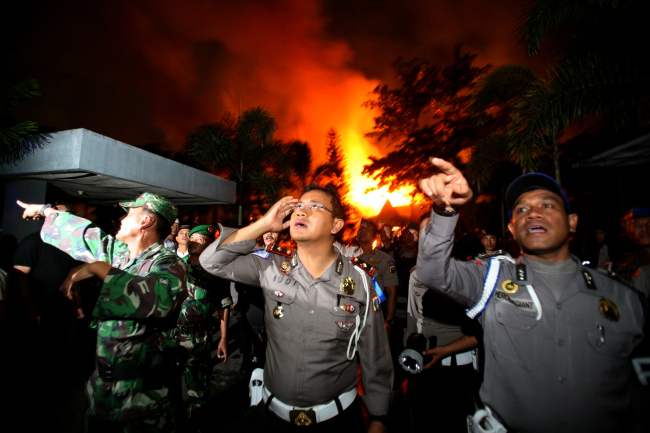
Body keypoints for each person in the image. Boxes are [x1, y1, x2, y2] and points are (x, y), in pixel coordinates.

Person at [417, 158, 644, 432]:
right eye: (522, 209)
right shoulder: (492, 279)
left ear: (572, 223)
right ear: (513, 230)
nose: (533, 213)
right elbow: (432, 273)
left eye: (547, 205)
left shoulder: (624, 298)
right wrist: (444, 209)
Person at [200, 184, 393, 432]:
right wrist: (264, 224)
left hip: (337, 421)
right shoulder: (270, 265)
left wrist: (379, 418)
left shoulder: (361, 281)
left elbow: (375, 354)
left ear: (336, 226)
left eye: (314, 207)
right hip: (271, 418)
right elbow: (211, 262)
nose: (301, 212)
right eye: (298, 206)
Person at [18, 193, 188, 432]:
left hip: (142, 400)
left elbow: (157, 301)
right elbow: (87, 235)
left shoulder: (169, 263)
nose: (121, 218)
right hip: (102, 392)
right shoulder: (121, 255)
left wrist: (98, 268)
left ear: (145, 221)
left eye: (130, 213)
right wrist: (47, 211)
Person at [404, 216, 479, 432]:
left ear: (450, 235)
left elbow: (482, 331)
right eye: (424, 232)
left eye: (433, 230)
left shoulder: (469, 273)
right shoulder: (416, 275)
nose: (428, 237)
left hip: (463, 370)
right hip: (429, 369)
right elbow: (413, 318)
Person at [177, 224, 232, 420]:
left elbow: (223, 306)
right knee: (169, 383)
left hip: (199, 337)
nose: (195, 242)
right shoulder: (176, 267)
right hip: (173, 336)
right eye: (193, 238)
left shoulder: (214, 272)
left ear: (209, 246)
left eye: (202, 240)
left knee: (198, 385)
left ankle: (197, 420)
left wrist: (223, 339)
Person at [615, 207, 650, 283]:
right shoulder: (626, 267)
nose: (644, 229)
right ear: (630, 229)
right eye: (637, 225)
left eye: (649, 223)